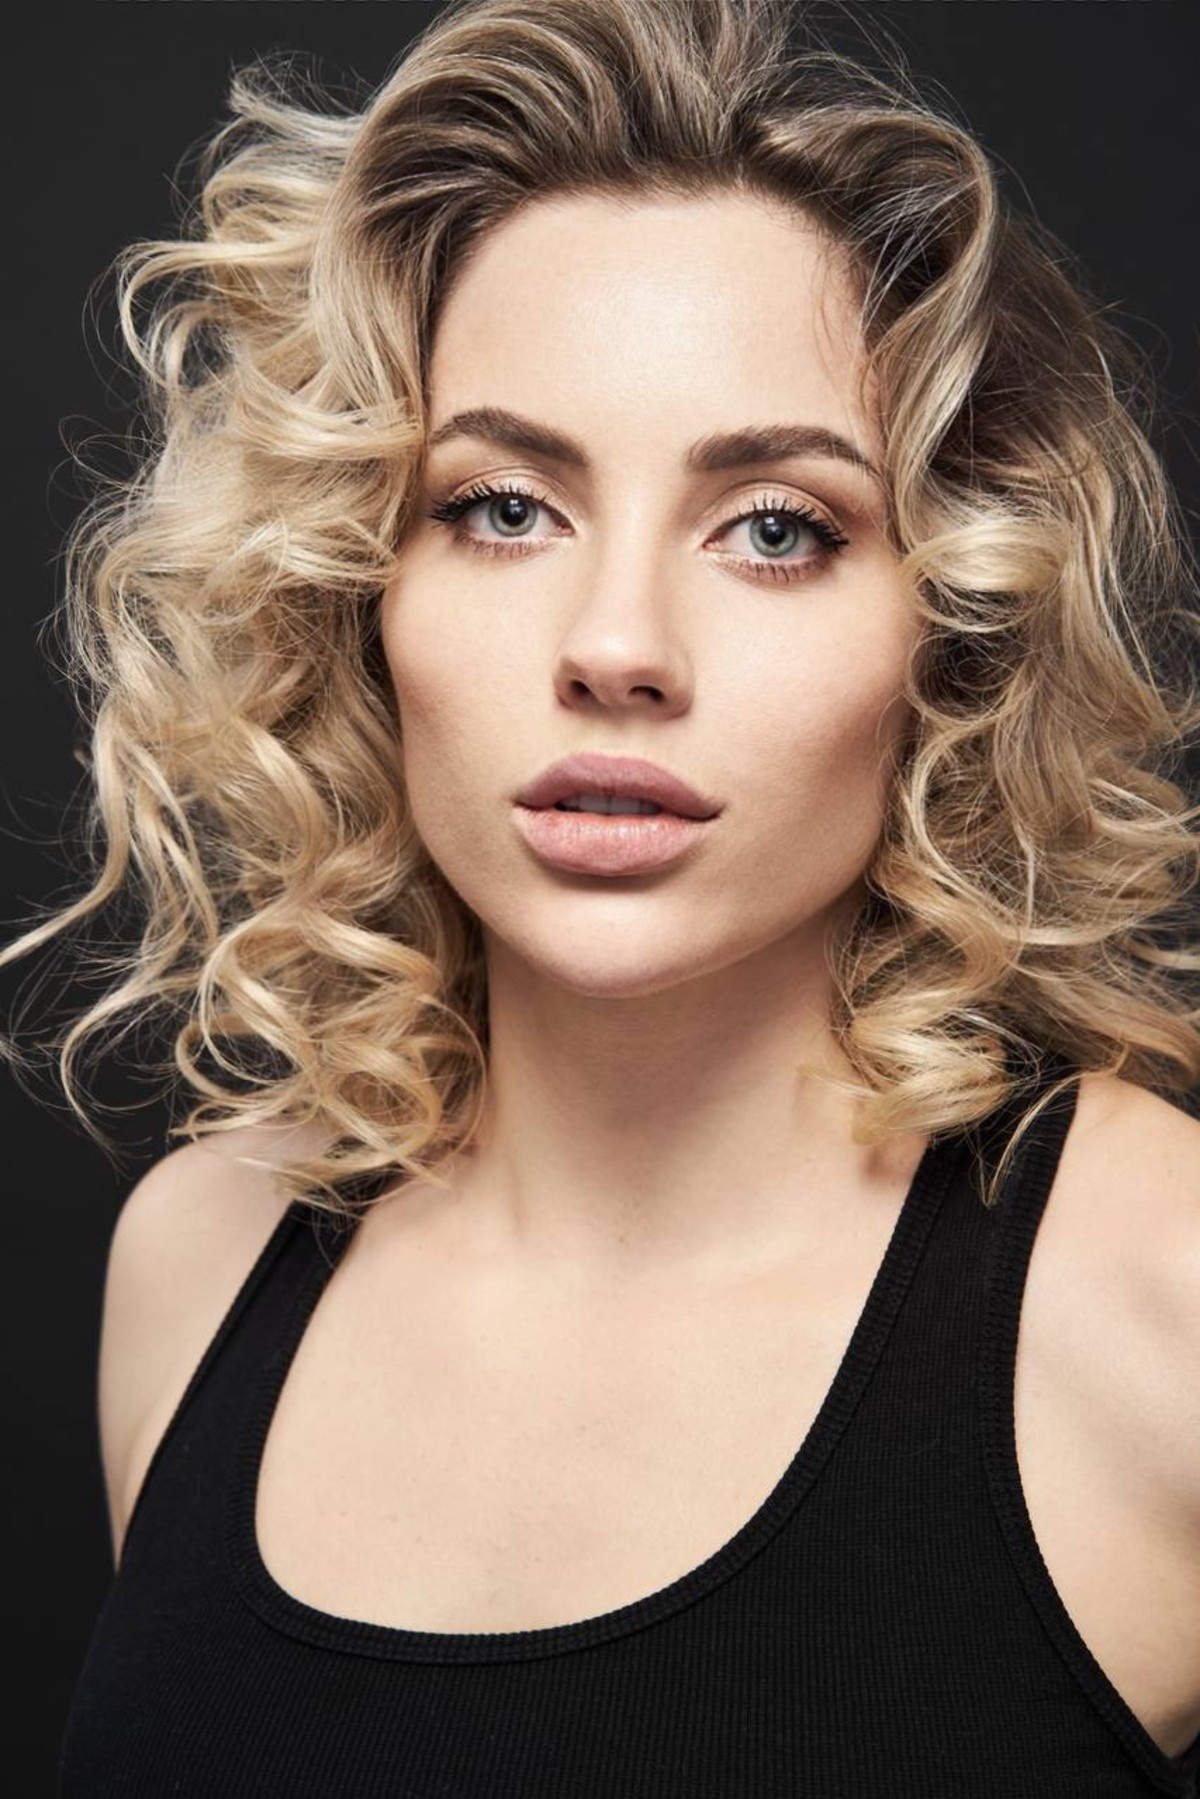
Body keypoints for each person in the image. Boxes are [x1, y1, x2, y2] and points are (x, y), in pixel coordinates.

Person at [5, 0, 1196, 1791]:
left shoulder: (1160, 1293)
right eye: (503, 507)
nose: (618, 646)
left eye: (777, 528)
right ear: (358, 588)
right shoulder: (201, 1257)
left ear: (950, 628)